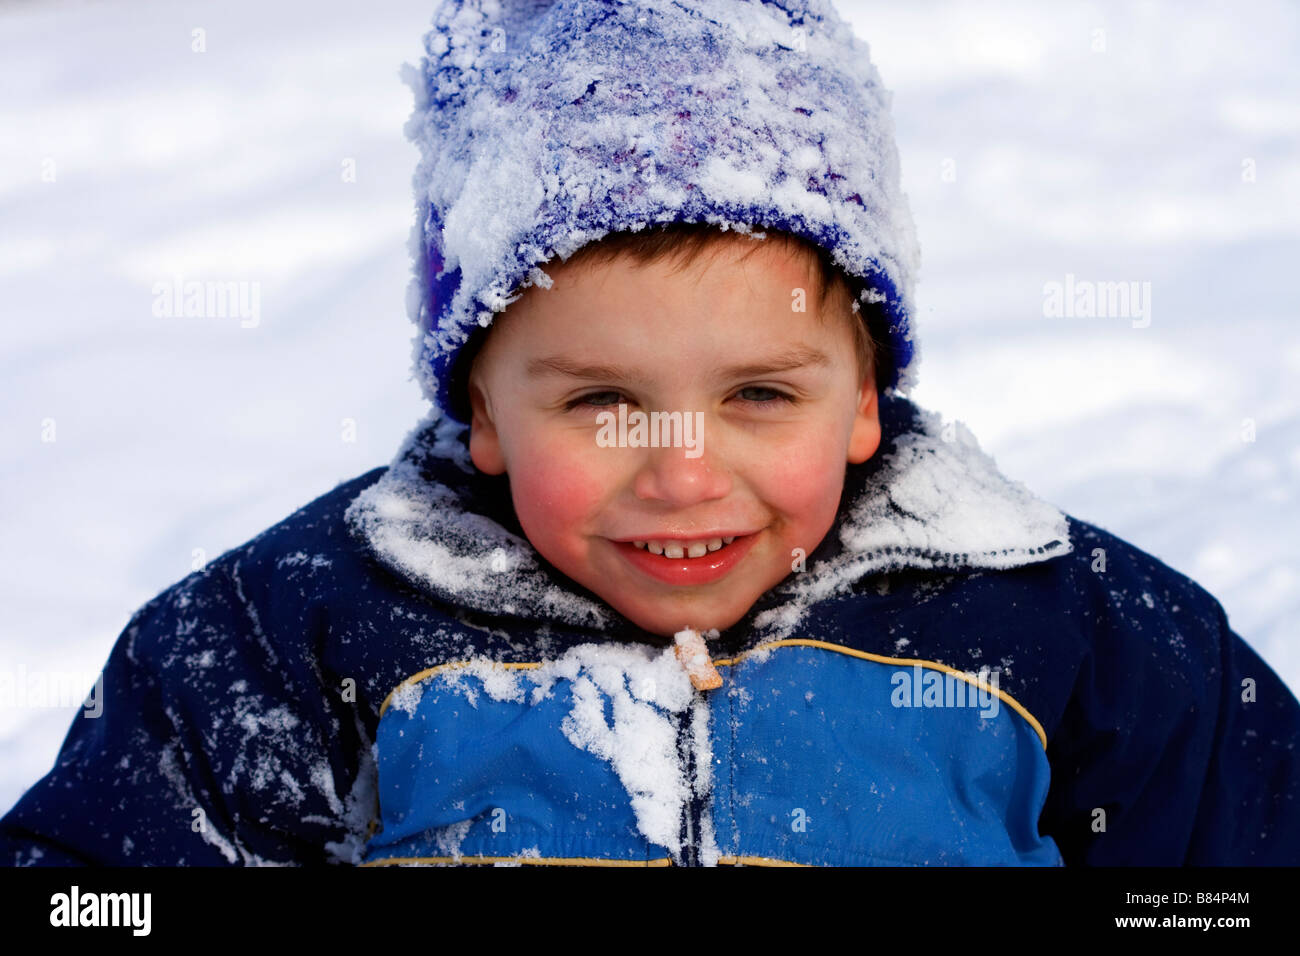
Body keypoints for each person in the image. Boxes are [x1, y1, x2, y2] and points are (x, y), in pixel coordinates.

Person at [3, 0, 1297, 867]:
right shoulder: (296, 638)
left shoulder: (1074, 639)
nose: (682, 471)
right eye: (603, 403)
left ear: (863, 400)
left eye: (759, 396)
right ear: (480, 409)